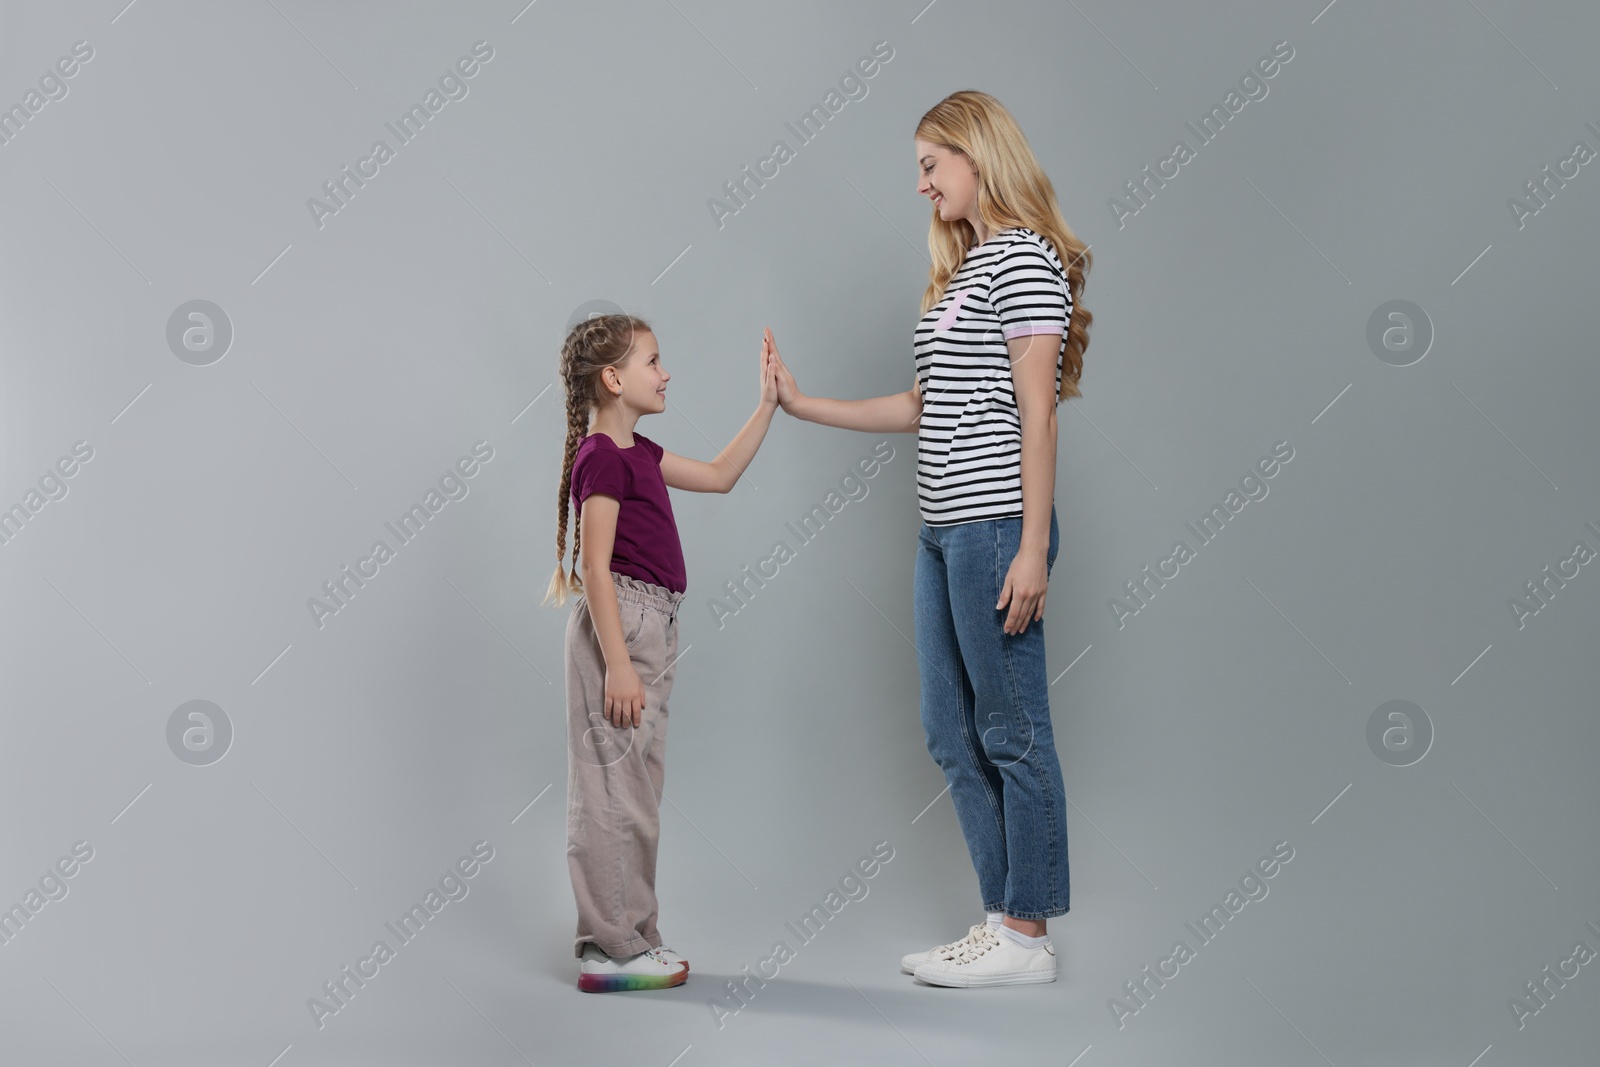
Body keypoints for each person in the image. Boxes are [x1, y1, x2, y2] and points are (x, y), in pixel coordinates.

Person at [763, 89, 1094, 988]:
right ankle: (1002, 922)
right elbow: (922, 405)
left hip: (993, 526)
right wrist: (802, 404)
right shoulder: (963, 274)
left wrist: (1031, 545)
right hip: (941, 531)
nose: (922, 185)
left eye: (930, 165)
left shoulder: (1023, 260)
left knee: (1012, 728)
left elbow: (1038, 413)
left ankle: (1026, 933)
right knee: (949, 730)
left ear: (977, 155)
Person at [545, 313, 778, 992]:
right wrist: (617, 661)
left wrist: (767, 404)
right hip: (621, 626)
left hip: (653, 626)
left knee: (637, 793)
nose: (665, 371)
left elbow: (719, 474)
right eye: (652, 360)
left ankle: (632, 933)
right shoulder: (602, 459)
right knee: (611, 792)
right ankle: (609, 946)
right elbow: (594, 567)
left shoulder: (639, 452)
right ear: (614, 379)